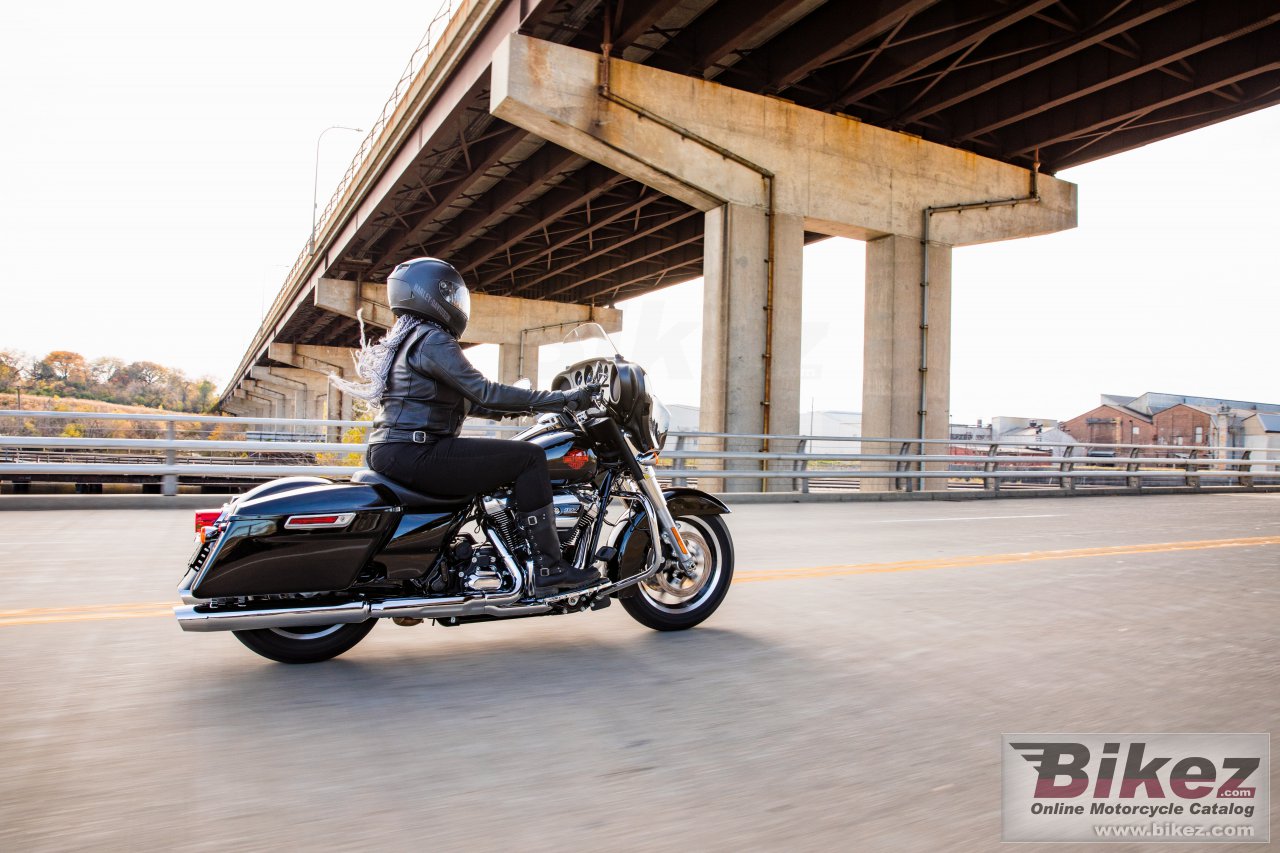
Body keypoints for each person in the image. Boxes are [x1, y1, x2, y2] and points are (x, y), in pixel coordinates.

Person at [334, 257, 597, 595]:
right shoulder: (432, 339)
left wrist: (520, 410)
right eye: (451, 293)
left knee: (511, 458)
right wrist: (562, 399)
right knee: (529, 458)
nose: (457, 302)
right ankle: (548, 567)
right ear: (432, 294)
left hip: (397, 450)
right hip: (418, 451)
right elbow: (484, 390)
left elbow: (474, 401)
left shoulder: (410, 339)